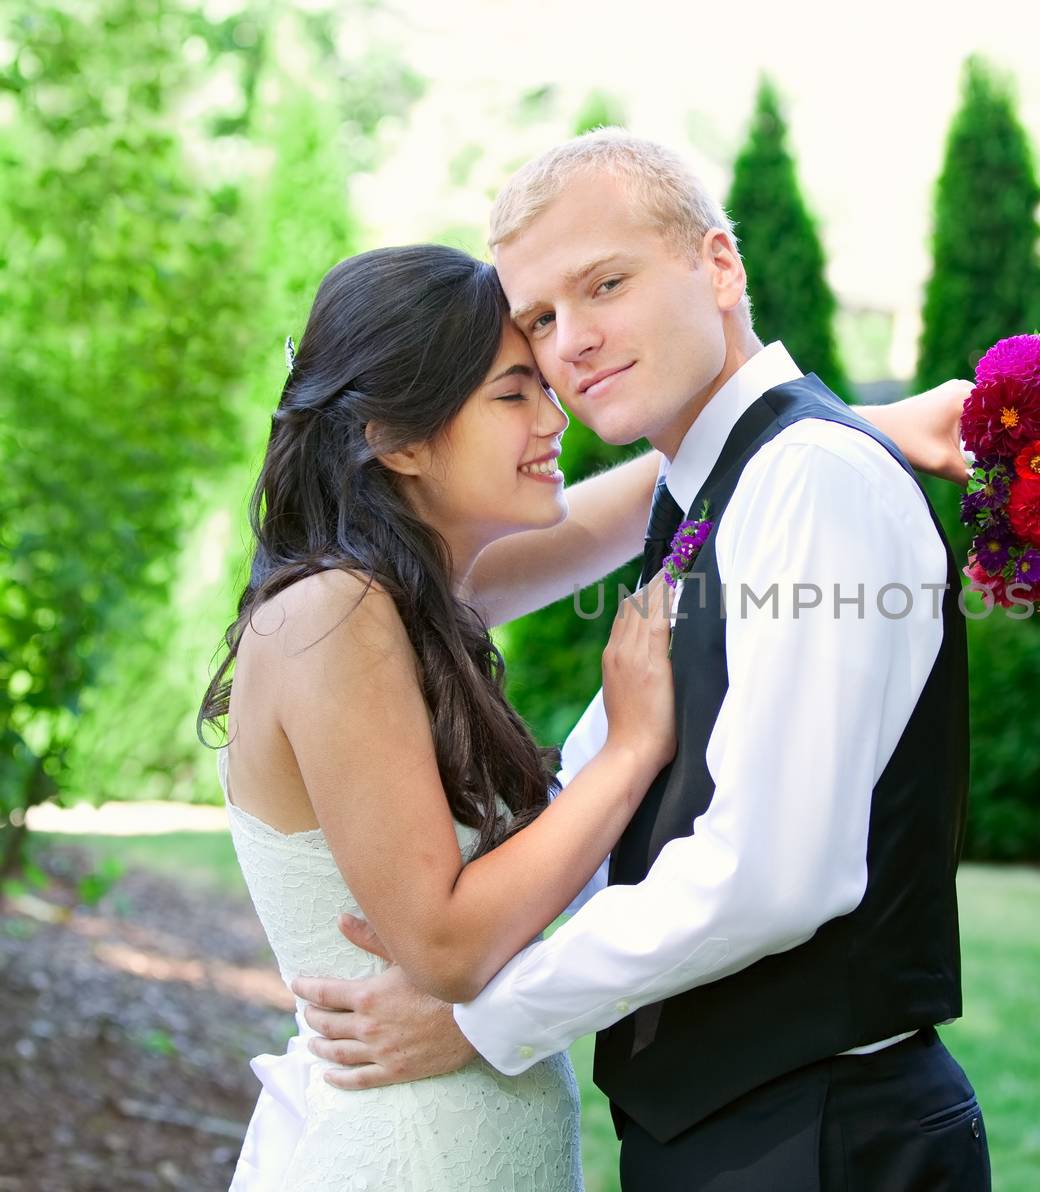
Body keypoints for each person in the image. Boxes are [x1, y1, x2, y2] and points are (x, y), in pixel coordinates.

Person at [295, 131, 989, 1191]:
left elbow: (767, 876)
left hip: (820, 1140)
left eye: (604, 285)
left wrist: (483, 1016)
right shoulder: (706, 491)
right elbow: (621, 774)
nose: (570, 342)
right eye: (540, 319)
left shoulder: (808, 481)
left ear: (719, 267)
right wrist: (464, 921)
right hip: (728, 1134)